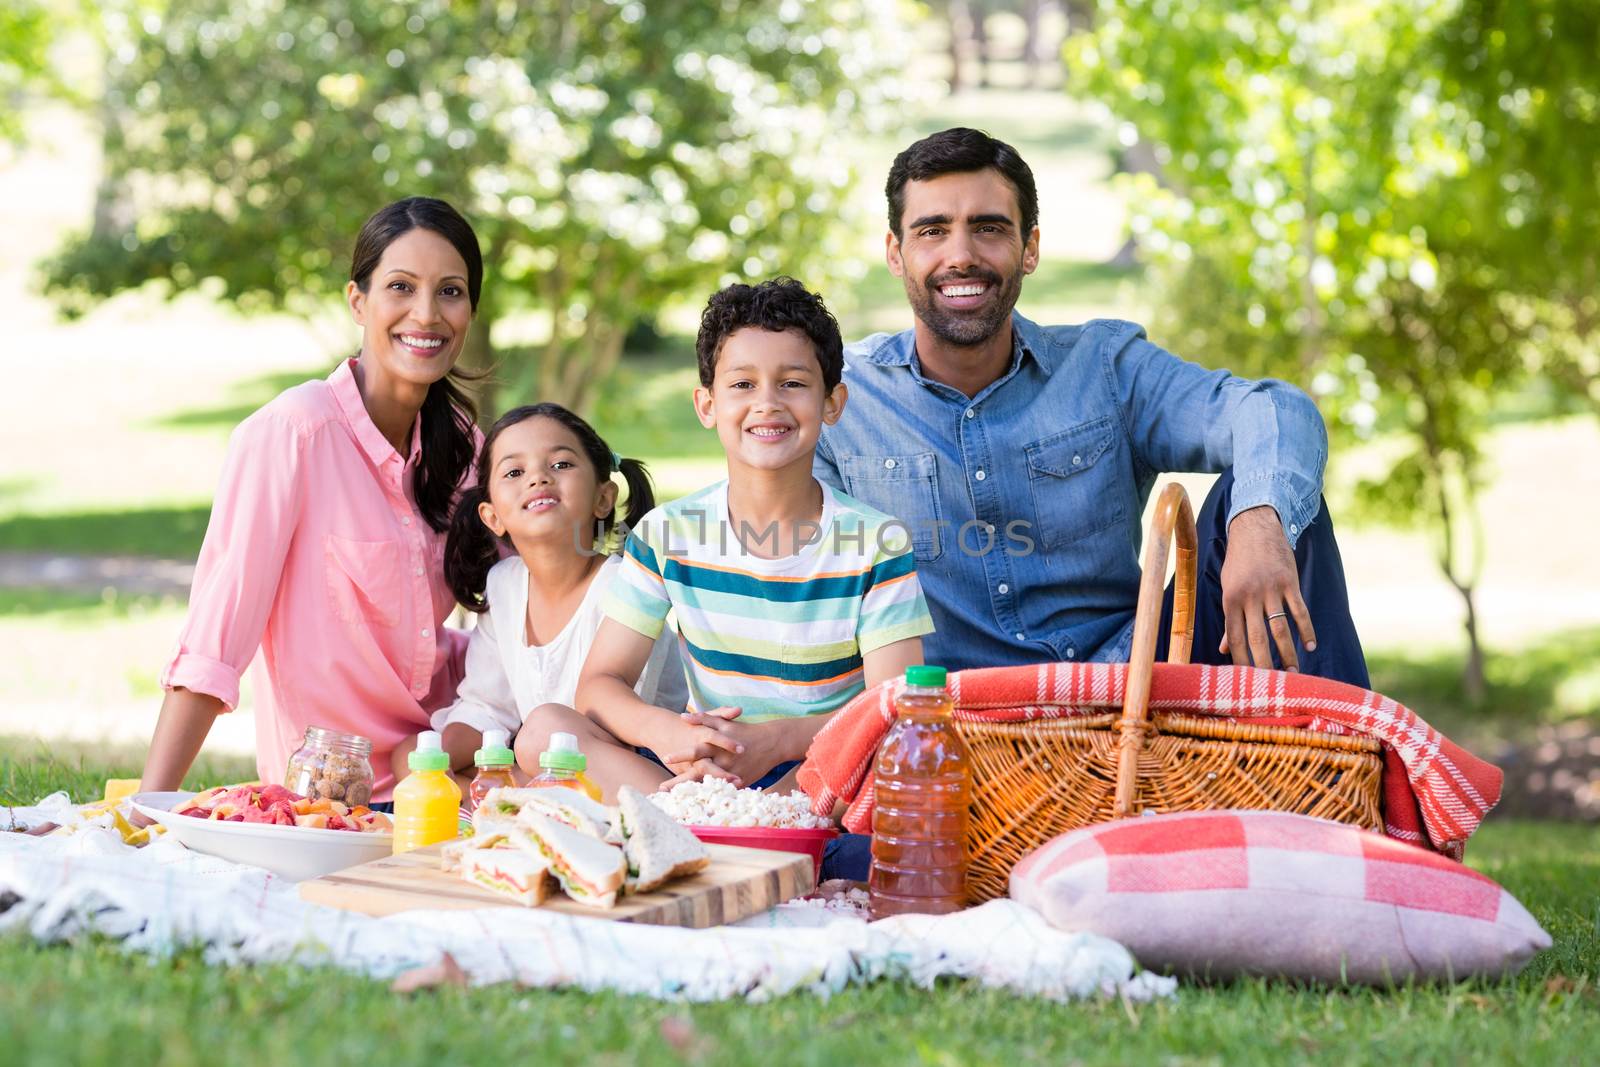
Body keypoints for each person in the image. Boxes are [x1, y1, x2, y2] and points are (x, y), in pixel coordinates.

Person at [815, 128, 1369, 687]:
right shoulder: (839, 401)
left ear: (1029, 248)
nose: (961, 256)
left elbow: (1275, 410)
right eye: (932, 231)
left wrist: (1259, 523)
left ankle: (1331, 767)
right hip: (950, 716)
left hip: (1131, 688)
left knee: (1269, 503)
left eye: (989, 229)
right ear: (895, 252)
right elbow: (781, 576)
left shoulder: (1104, 367)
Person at [527, 278, 935, 800]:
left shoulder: (877, 543)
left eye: (792, 383)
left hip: (820, 771)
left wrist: (779, 741)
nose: (767, 403)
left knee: (893, 748)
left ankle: (773, 827)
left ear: (833, 403)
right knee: (544, 730)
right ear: (706, 404)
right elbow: (599, 686)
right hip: (703, 772)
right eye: (742, 385)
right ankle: (697, 817)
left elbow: (893, 709)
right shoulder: (667, 535)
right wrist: (670, 733)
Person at [139, 197, 486, 801]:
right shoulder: (292, 434)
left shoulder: (465, 448)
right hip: (333, 797)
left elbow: (523, 608)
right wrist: (146, 810)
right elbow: (216, 638)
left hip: (453, 767)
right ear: (358, 300)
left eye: (450, 291)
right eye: (400, 287)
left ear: (471, 310)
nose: (426, 314)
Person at [395, 403, 687, 790]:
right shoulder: (505, 586)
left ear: (604, 497)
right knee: (410, 756)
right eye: (515, 472)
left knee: (541, 736)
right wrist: (434, 760)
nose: (538, 478)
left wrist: (510, 774)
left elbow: (615, 732)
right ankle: (494, 804)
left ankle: (501, 803)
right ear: (492, 516)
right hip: (540, 761)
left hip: (638, 767)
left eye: (562, 464)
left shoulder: (623, 585)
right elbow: (487, 707)